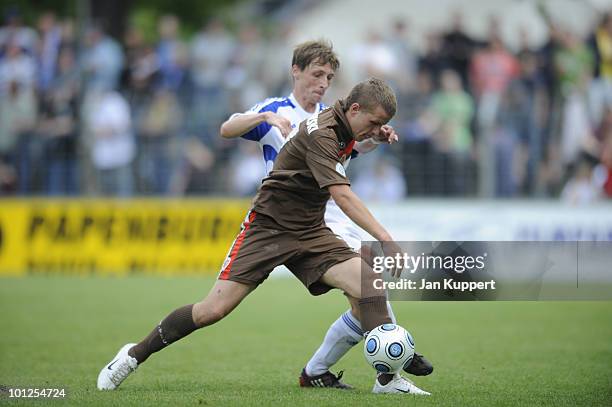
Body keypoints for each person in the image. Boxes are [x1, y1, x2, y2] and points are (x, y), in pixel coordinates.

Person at [97, 78, 431, 395]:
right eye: (373, 122)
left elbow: (354, 142)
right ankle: (133, 354)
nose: (375, 129)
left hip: (310, 230)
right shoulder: (324, 133)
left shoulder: (344, 125)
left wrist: (372, 135)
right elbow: (342, 196)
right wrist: (386, 237)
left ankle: (386, 379)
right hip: (268, 227)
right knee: (212, 310)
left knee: (368, 283)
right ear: (355, 109)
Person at [219, 40, 432, 391]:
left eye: (329, 77)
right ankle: (390, 366)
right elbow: (227, 129)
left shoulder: (336, 116)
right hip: (293, 214)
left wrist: (374, 138)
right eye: (317, 74)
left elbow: (349, 151)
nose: (323, 83)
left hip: (332, 211)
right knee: (366, 290)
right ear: (296, 71)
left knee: (367, 289)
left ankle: (353, 369)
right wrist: (264, 117)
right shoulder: (278, 109)